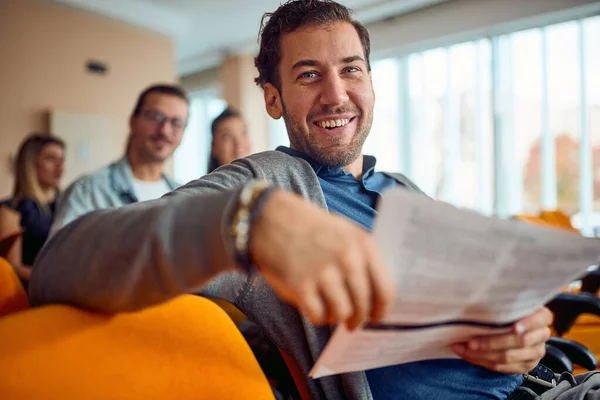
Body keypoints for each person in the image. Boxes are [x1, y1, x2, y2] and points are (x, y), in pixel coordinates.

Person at [30, 1, 553, 399]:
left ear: (370, 81)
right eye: (309, 75)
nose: (336, 94)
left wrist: (524, 333)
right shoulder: (262, 185)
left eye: (351, 69)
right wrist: (246, 219)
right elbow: (58, 264)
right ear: (273, 98)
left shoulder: (402, 188)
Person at [50, 84, 187, 234]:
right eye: (155, 117)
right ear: (133, 121)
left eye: (176, 123)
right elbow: (59, 255)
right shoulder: (88, 191)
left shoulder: (185, 197)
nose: (165, 130)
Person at [9, 133, 65, 284]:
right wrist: (58, 282)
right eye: (51, 159)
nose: (60, 166)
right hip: (33, 293)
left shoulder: (65, 205)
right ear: (30, 164)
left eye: (61, 160)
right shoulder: (11, 210)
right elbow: (13, 267)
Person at [207, 107, 251, 173]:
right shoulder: (206, 183)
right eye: (227, 136)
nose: (239, 143)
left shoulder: (265, 181)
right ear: (213, 147)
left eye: (243, 133)